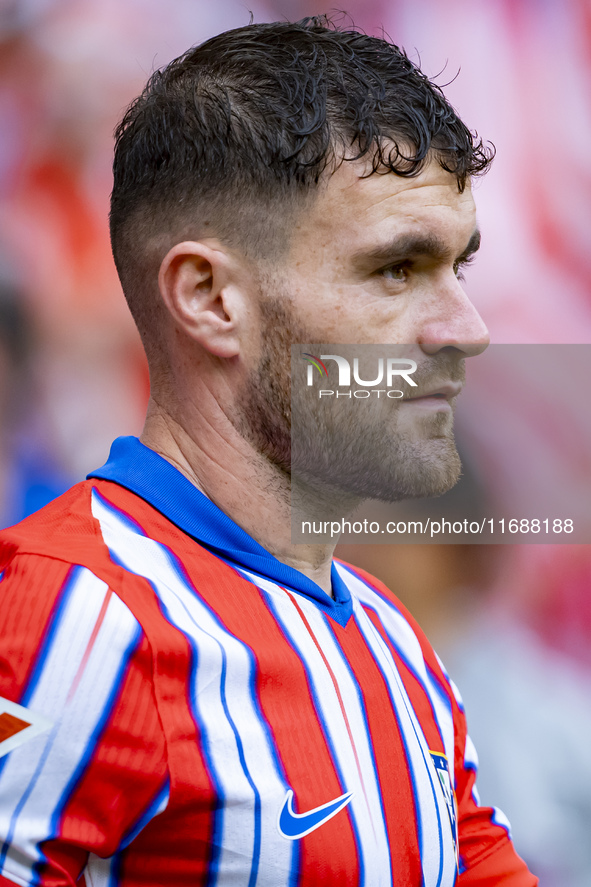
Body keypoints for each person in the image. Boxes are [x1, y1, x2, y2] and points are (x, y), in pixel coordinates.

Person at [0, 18, 538, 887]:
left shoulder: (395, 641)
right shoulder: (68, 618)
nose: (465, 331)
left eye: (458, 269)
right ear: (211, 299)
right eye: (396, 269)